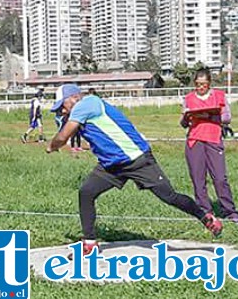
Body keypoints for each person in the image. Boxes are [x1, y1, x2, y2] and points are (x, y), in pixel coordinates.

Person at [46, 84, 223, 256]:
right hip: (112, 165)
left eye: (62, 106)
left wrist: (51, 147)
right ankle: (90, 243)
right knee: (86, 192)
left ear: (74, 97)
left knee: (169, 196)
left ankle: (205, 217)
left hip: (137, 158)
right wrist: (61, 121)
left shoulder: (88, 103)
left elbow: (63, 137)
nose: (62, 111)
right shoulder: (78, 111)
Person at [180, 69, 238, 224]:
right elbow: (183, 123)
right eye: (197, 84)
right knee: (198, 179)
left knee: (220, 178)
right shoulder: (188, 98)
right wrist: (187, 116)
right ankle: (205, 212)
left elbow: (227, 117)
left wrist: (211, 115)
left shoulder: (219, 96)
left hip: (213, 139)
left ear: (209, 84)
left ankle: (230, 212)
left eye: (204, 84)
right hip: (195, 140)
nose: (200, 87)